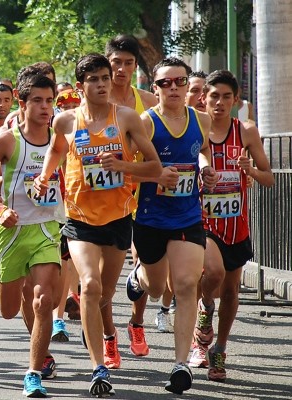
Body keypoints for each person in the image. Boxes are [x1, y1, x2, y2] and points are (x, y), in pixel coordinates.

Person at [35, 53, 162, 397]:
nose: (103, 84)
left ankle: (105, 333)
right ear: (80, 87)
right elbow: (55, 151)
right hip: (79, 220)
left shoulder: (127, 118)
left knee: (105, 294)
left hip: (118, 219)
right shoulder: (65, 121)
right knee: (89, 285)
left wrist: (123, 166)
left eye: (106, 78)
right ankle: (98, 368)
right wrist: (44, 178)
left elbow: (154, 167)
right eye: (94, 79)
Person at [126, 57, 219, 395]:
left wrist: (205, 167)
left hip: (187, 216)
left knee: (185, 284)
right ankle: (136, 275)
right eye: (166, 83)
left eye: (180, 81)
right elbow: (125, 169)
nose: (175, 88)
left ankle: (180, 364)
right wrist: (155, 172)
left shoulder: (202, 120)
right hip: (150, 218)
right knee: (153, 288)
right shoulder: (146, 123)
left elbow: (202, 151)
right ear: (156, 88)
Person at [0, 73, 63, 398]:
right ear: (22, 104)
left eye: (49, 100)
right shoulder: (8, 140)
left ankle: (34, 373)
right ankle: (31, 318)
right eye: (37, 100)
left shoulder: (59, 139)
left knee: (44, 300)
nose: (44, 107)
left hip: (46, 230)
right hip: (11, 233)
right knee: (10, 309)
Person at [189, 70, 273, 381]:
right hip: (203, 221)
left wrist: (249, 169)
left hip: (236, 223)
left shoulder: (247, 131)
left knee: (232, 289)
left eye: (227, 96)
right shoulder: (195, 129)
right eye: (214, 96)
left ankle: (219, 349)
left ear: (236, 100)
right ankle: (205, 306)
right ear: (204, 99)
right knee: (213, 273)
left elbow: (269, 178)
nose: (220, 102)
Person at [105, 34, 159, 363]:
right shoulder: (97, 102)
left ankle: (136, 324)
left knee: (145, 265)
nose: (121, 69)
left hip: (143, 193)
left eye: (128, 63)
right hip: (106, 196)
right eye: (116, 63)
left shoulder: (149, 102)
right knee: (102, 274)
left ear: (135, 66)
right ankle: (108, 335)